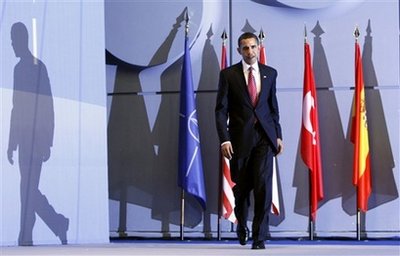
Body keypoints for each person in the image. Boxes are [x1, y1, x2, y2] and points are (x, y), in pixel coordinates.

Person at [215, 32, 283, 249]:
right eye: (245, 48)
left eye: (253, 47)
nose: (250, 51)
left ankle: (259, 237)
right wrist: (224, 140)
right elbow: (220, 110)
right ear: (239, 51)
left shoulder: (270, 74)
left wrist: (278, 134)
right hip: (239, 140)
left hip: (265, 137)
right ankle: (242, 225)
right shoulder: (228, 75)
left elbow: (273, 107)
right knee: (242, 189)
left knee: (263, 186)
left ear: (258, 47)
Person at [8, 22, 69, 245]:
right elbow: (16, 106)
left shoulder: (37, 68)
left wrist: (47, 142)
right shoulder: (18, 69)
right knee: (28, 189)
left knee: (28, 189)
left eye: (14, 39)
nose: (11, 44)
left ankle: (28, 235)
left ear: (22, 39)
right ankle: (54, 225)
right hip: (24, 140)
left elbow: (48, 106)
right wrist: (11, 142)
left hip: (36, 140)